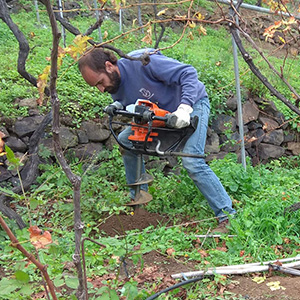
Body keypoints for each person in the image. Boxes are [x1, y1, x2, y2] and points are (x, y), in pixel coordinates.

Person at [78, 47, 236, 233]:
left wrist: (184, 108)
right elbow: (130, 97)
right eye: (96, 86)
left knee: (192, 160)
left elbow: (188, 73)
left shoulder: (143, 62)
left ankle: (227, 216)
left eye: (100, 82)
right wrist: (117, 104)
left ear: (109, 66)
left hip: (193, 105)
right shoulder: (114, 82)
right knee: (125, 141)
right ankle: (138, 199)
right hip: (160, 116)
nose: (101, 89)